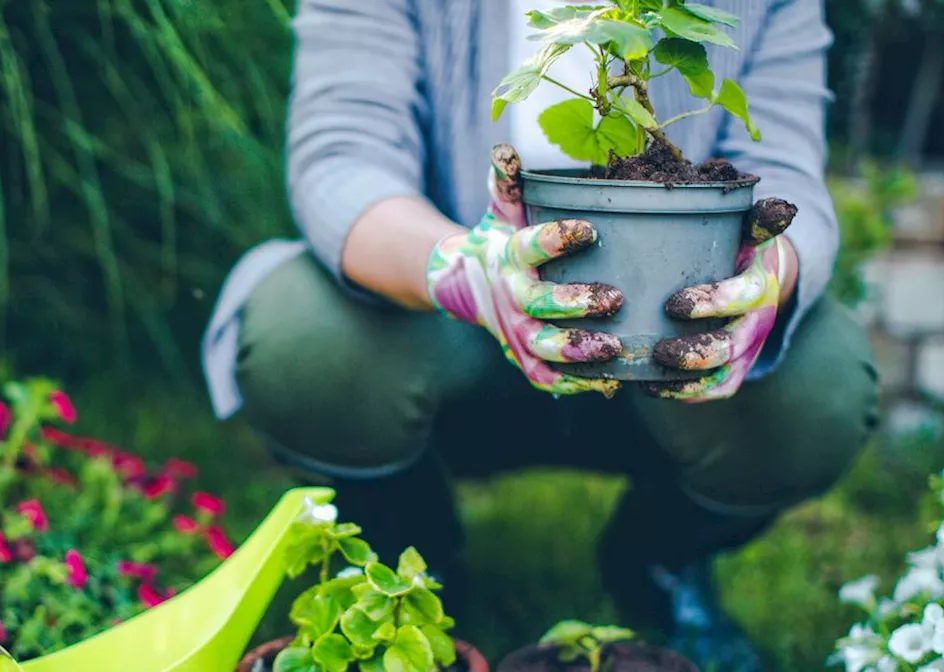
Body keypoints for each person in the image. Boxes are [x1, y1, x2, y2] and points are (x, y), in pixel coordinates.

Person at [200, 0, 879, 668]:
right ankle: (407, 544)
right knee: (303, 339)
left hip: (667, 327)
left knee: (819, 385)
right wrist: (466, 271)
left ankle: (660, 558)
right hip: (442, 323)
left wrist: (769, 273)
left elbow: (785, 166)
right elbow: (342, 159)